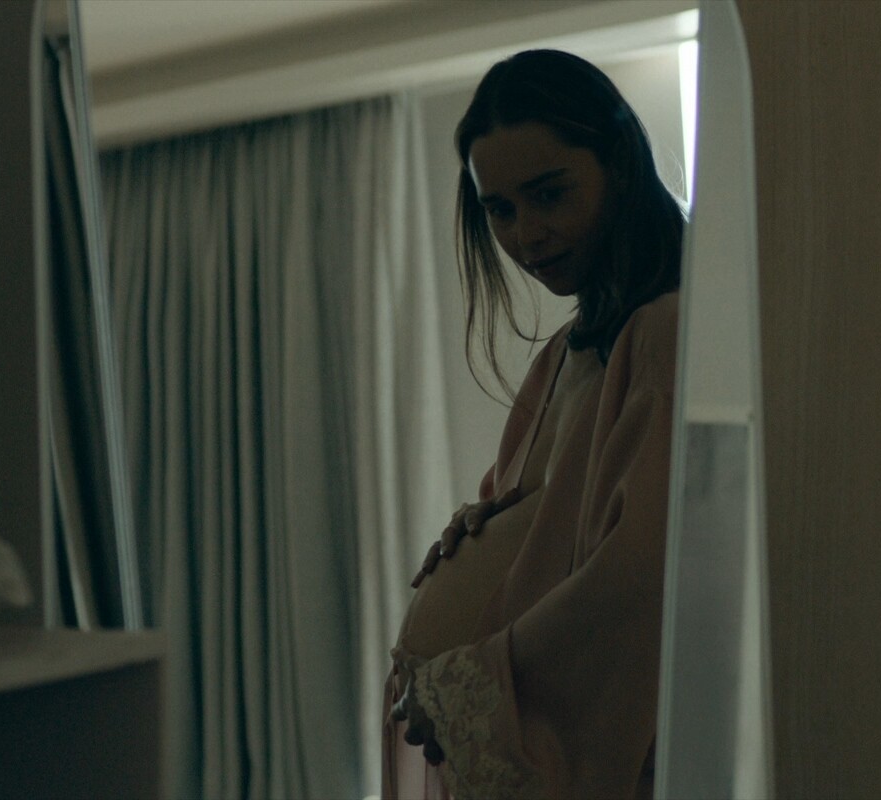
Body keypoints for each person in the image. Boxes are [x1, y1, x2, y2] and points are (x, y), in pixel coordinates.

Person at [381, 48, 683, 800]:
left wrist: (466, 686)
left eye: (549, 195)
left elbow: (638, 582)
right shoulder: (566, 353)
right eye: (501, 210)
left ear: (619, 164)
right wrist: (483, 529)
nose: (527, 235)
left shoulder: (665, 331)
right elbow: (544, 521)